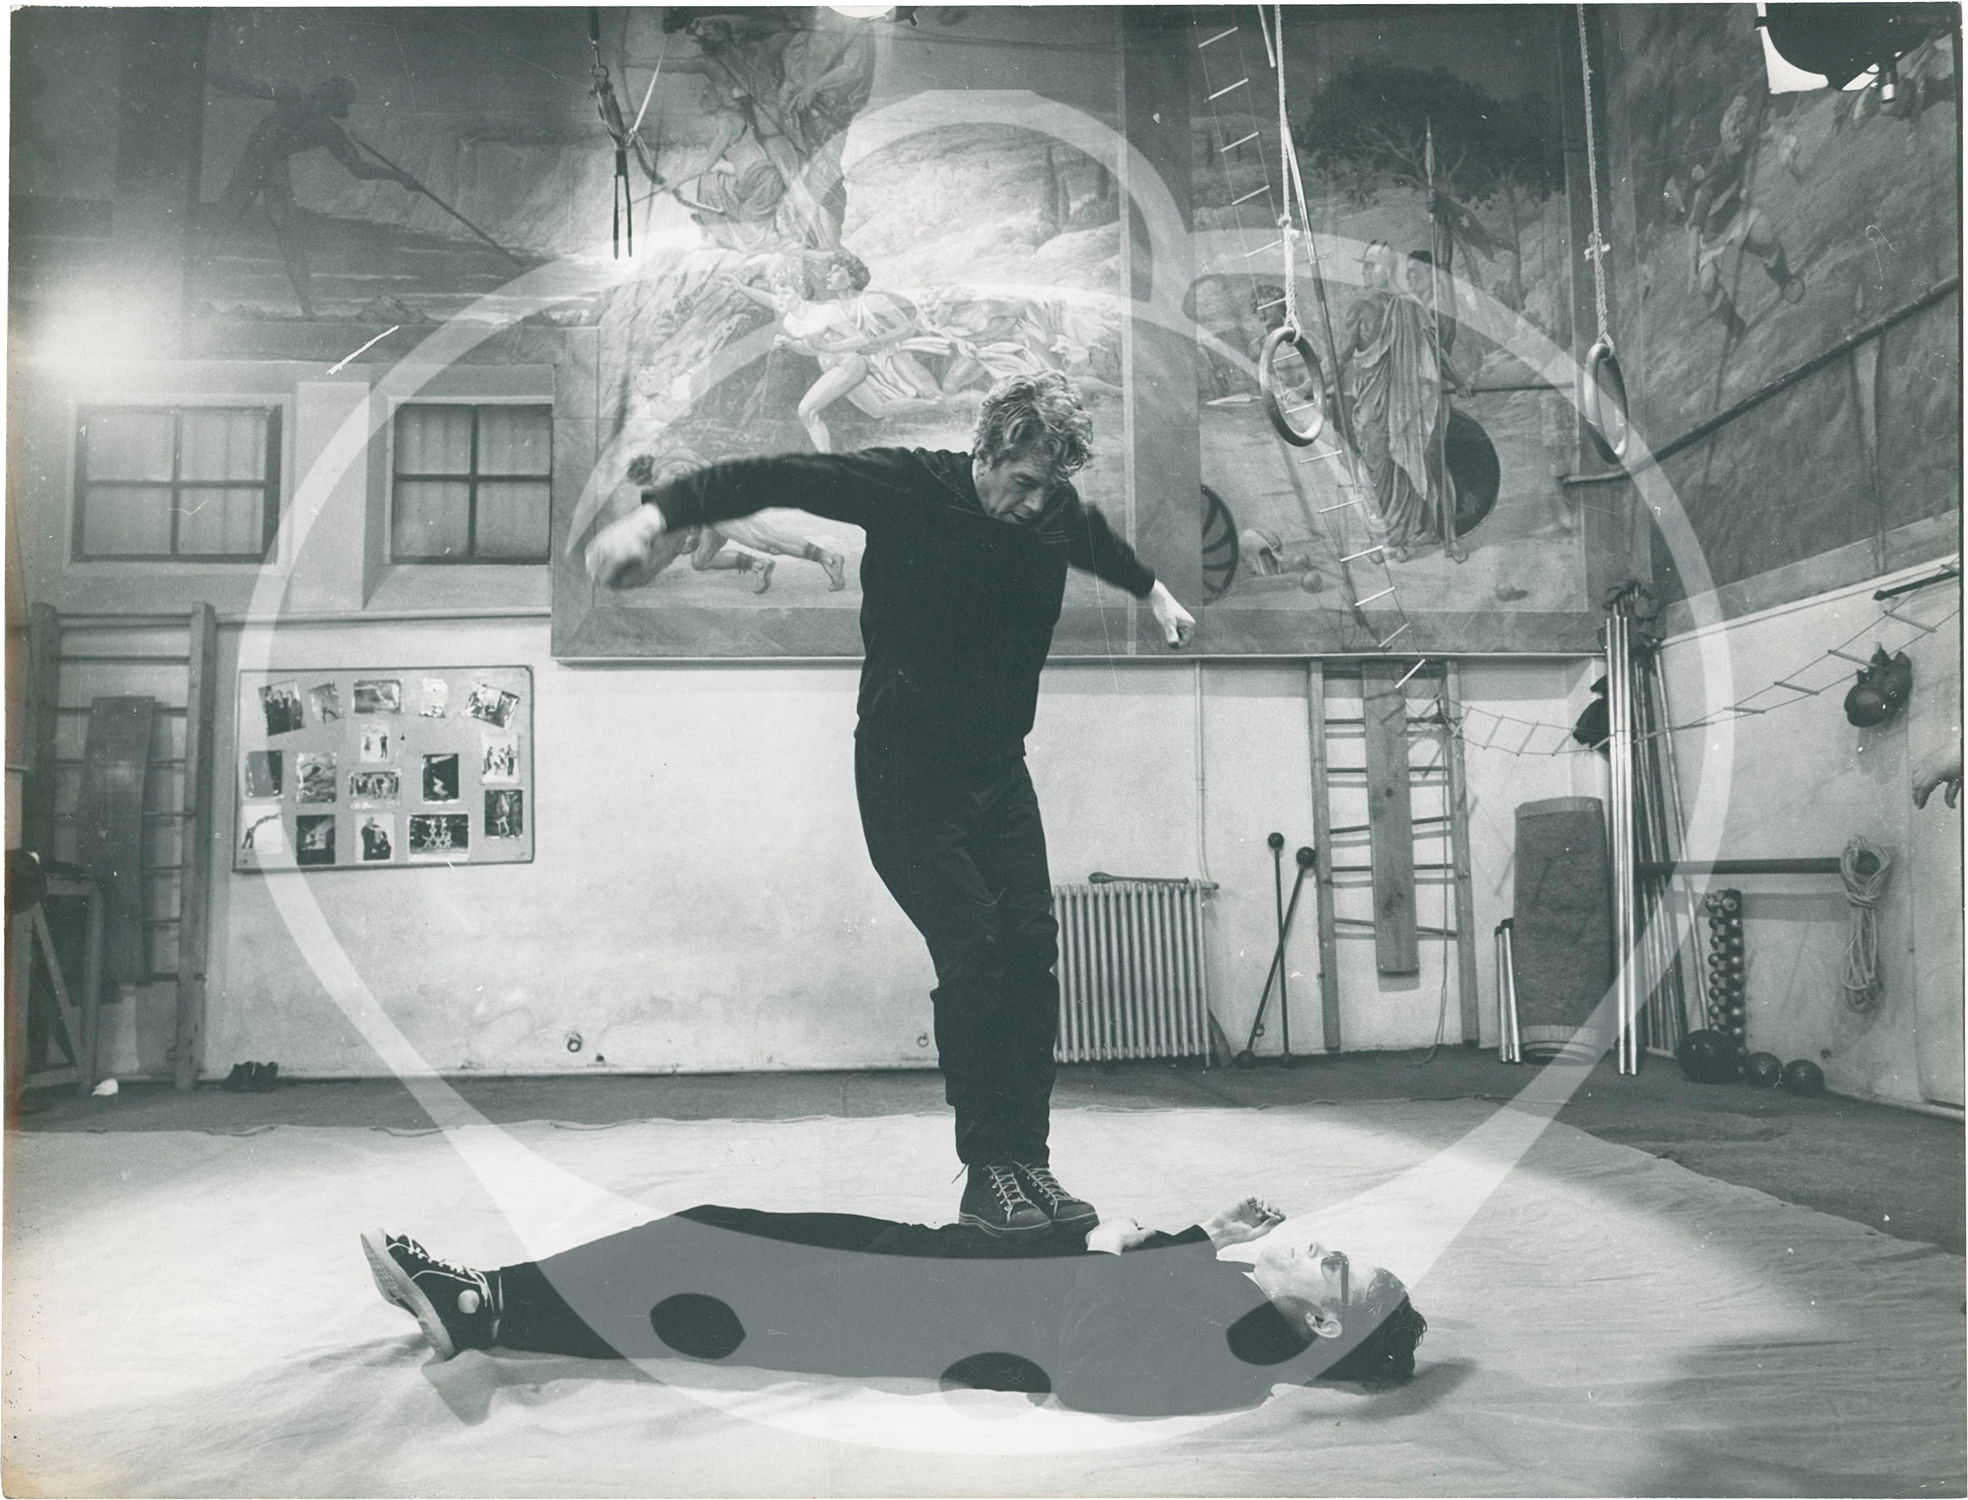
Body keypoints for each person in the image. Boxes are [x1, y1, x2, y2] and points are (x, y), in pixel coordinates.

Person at [585, 373, 1198, 1236]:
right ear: (988, 450)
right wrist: (656, 518)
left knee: (1030, 953)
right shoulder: (907, 485)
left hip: (999, 770)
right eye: (1023, 481)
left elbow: (1089, 534)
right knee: (975, 948)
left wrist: (1154, 592)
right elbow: (779, 474)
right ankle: (989, 1172)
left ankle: (1029, 1161)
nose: (1034, 504)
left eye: (1049, 487)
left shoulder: (1051, 508)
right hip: (906, 774)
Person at [358, 1195, 1426, 1416]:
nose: (1324, 1248)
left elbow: (1096, 1373)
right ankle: (483, 1306)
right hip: (932, 1265)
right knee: (704, 1243)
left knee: (699, 1266)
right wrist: (1200, 1237)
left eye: (1336, 1270)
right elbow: (1134, 1279)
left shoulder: (1234, 1372)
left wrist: (1124, 1257)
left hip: (921, 1317)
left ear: (1325, 1326)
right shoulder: (1233, 1301)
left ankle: (481, 1303)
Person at [202, 75, 416, 319]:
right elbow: (250, 87)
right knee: (227, 227)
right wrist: (214, 80)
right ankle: (305, 309)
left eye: (330, 94)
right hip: (260, 166)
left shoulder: (326, 128)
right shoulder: (303, 106)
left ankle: (307, 309)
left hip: (270, 167)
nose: (321, 94)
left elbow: (358, 168)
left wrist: (399, 177)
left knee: (280, 236)